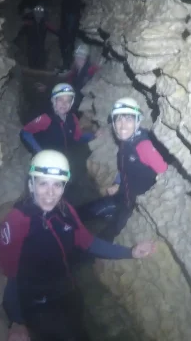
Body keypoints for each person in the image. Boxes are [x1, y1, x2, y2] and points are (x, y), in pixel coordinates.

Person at [0, 150, 157, 341]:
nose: (50, 192)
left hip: (66, 289)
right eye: (43, 184)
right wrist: (16, 321)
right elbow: (9, 276)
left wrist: (130, 252)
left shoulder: (65, 210)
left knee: (77, 331)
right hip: (37, 302)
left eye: (57, 185)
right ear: (31, 184)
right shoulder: (16, 223)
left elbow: (88, 242)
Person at [79, 97, 168, 241]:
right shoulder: (125, 141)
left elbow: (164, 174)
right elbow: (125, 169)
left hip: (134, 205)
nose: (122, 125)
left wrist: (150, 203)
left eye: (128, 119)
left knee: (110, 234)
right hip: (123, 193)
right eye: (118, 120)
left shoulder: (143, 146)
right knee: (89, 210)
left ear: (137, 122)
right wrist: (118, 184)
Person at [19, 83, 95, 155]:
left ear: (71, 104)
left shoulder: (73, 118)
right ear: (54, 101)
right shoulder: (46, 119)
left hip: (65, 157)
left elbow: (78, 137)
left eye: (68, 101)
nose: (64, 104)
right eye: (60, 100)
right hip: (47, 159)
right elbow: (25, 132)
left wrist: (93, 136)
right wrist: (39, 151)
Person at [56, 0, 84, 71]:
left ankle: (68, 66)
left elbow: (78, 0)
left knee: (68, 41)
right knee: (64, 40)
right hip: (67, 16)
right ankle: (67, 65)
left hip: (72, 17)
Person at [16, 1, 54, 70]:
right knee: (32, 56)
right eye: (37, 13)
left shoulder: (44, 23)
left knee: (39, 56)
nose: (38, 15)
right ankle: (33, 69)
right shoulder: (29, 23)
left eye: (40, 13)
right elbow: (21, 31)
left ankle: (39, 69)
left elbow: (53, 29)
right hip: (32, 45)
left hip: (40, 45)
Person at [64, 43, 99, 111]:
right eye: (78, 57)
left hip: (82, 105)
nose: (79, 60)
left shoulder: (91, 71)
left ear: (86, 59)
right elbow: (67, 86)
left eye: (82, 58)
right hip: (75, 101)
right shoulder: (75, 72)